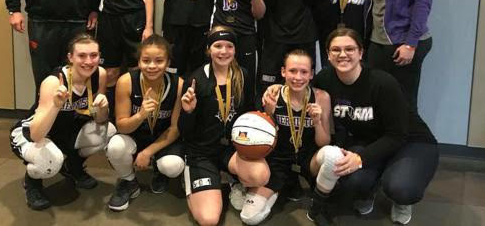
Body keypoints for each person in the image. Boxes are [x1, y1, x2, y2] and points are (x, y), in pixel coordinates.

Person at [313, 28, 438, 225]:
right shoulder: (325, 79)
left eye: (349, 49)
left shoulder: (382, 83)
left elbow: (397, 135)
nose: (343, 54)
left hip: (411, 141)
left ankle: (400, 199)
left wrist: (361, 158)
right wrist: (277, 89)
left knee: (401, 188)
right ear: (328, 54)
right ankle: (369, 188)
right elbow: (300, 87)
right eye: (336, 50)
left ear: (361, 53)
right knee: (350, 180)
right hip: (371, 141)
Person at [9, 34, 114, 210]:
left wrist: (103, 109)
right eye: (81, 55)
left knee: (107, 131)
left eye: (93, 55)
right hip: (33, 132)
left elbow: (99, 119)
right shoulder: (53, 82)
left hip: (65, 129)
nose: (88, 61)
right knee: (49, 163)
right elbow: (36, 134)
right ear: (70, 57)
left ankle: (73, 167)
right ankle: (32, 183)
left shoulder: (100, 74)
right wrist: (56, 106)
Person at [178, 26, 269, 226]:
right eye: (218, 46)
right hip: (202, 152)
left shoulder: (243, 75)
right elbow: (184, 131)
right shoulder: (196, 80)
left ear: (235, 50)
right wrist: (188, 112)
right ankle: (193, 179)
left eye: (229, 46)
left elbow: (249, 114)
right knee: (209, 219)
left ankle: (229, 178)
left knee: (261, 175)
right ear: (208, 49)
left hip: (231, 149)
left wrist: (266, 113)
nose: (224, 51)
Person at [250, 49, 334, 226]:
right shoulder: (272, 94)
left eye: (304, 72)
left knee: (332, 155)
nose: (298, 77)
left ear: (311, 74)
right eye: (292, 71)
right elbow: (264, 138)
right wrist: (269, 113)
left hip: (308, 158)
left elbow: (324, 142)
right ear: (283, 72)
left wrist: (317, 122)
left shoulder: (321, 97)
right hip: (279, 159)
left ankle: (316, 204)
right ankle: (285, 184)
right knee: (250, 217)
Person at [106, 35, 185, 211]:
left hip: (163, 139)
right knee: (115, 147)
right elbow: (122, 126)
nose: (152, 66)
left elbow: (175, 129)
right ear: (139, 62)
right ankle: (128, 180)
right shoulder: (126, 81)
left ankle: (159, 169)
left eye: (159, 61)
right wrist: (140, 115)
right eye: (146, 60)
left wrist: (148, 152)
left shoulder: (178, 84)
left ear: (168, 63)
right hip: (135, 135)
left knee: (173, 166)